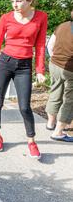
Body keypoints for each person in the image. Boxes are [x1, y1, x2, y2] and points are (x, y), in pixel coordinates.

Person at [0, 0, 47, 159]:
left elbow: (40, 45)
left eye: (18, 1)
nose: (15, 4)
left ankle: (31, 141)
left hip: (24, 66)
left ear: (29, 1)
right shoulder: (6, 18)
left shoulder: (41, 17)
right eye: (13, 1)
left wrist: (40, 70)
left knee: (25, 107)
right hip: (5, 62)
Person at [45, 9, 73, 142]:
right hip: (70, 70)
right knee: (70, 100)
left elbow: (50, 45)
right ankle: (59, 131)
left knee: (55, 92)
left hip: (55, 65)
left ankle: (50, 123)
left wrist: (54, 59)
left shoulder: (62, 25)